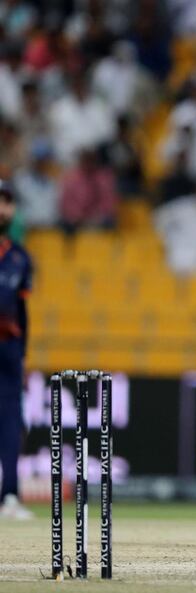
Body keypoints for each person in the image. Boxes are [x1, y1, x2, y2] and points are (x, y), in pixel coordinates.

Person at [0, 181, 34, 520]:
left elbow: (23, 315)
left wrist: (23, 357)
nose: (2, 209)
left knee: (11, 422)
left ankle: (9, 495)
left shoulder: (21, 258)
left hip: (7, 348)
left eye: (7, 202)